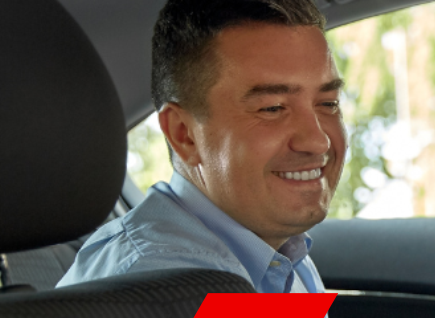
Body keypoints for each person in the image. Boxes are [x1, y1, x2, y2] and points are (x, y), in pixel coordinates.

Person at [58, 0, 345, 294]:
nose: (318, 140)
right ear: (184, 135)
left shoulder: (280, 256)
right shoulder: (163, 289)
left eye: (329, 104)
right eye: (272, 108)